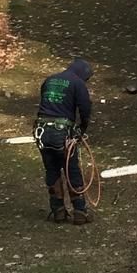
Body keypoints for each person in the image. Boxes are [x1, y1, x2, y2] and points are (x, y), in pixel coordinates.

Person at [34, 58, 95, 224]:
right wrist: (81, 129)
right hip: (62, 133)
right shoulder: (78, 83)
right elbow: (85, 108)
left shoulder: (50, 79)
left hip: (41, 131)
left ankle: (58, 211)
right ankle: (80, 212)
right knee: (71, 170)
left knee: (52, 169)